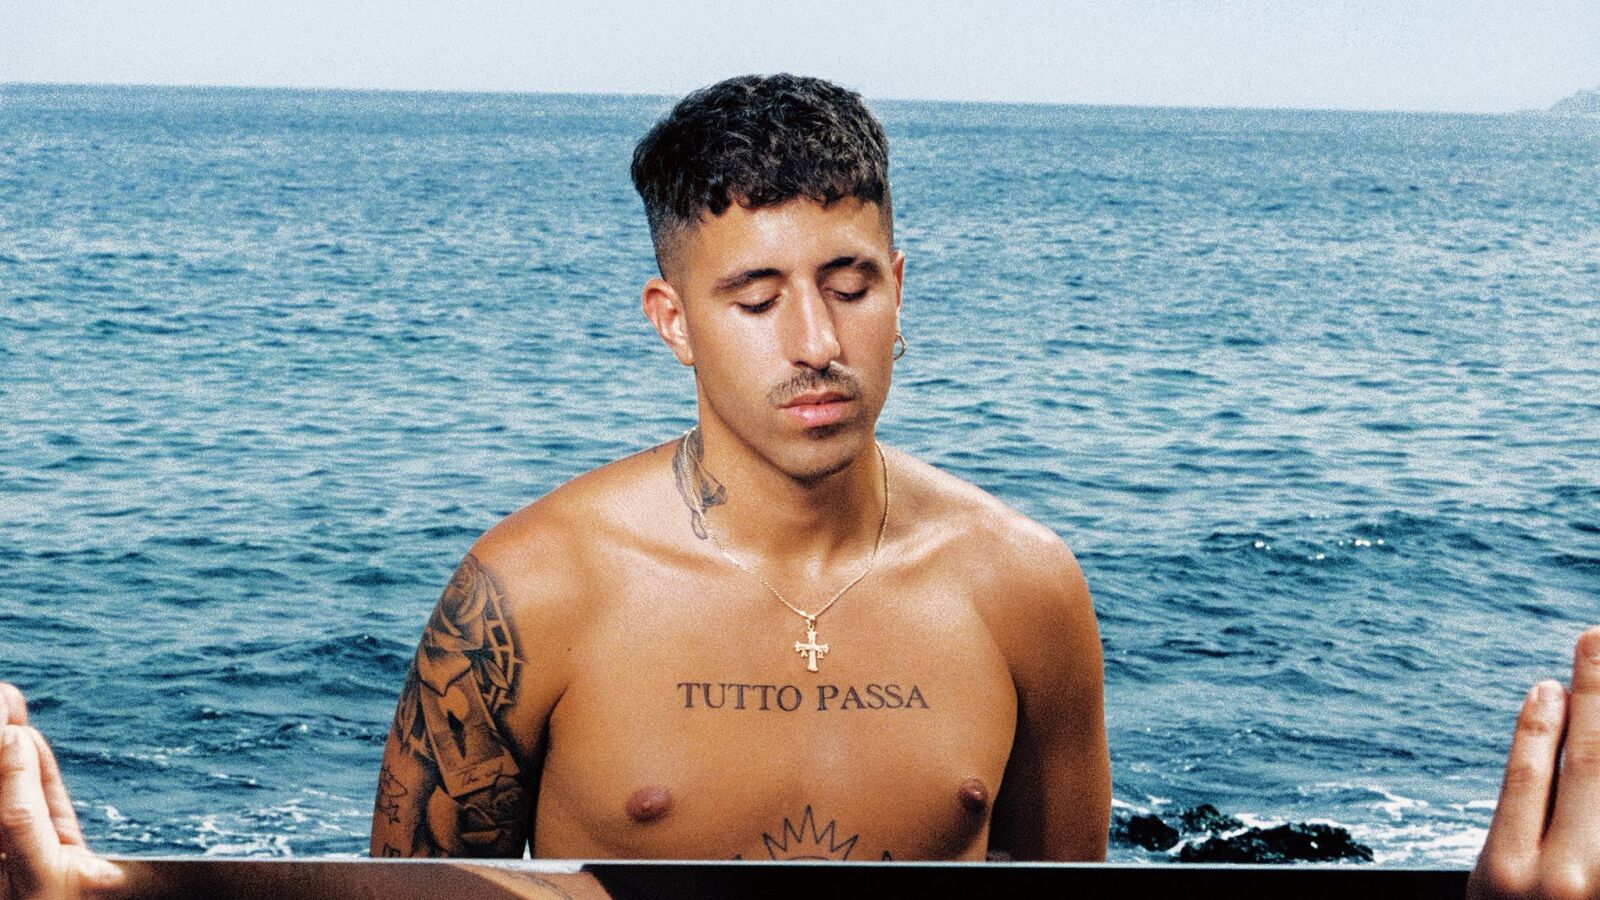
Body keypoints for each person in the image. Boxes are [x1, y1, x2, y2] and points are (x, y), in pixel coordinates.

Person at [0, 72, 1585, 896]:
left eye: (850, 283)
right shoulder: (531, 592)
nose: (814, 342)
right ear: (672, 320)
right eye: (756, 298)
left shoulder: (1023, 586)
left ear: (902, 287)